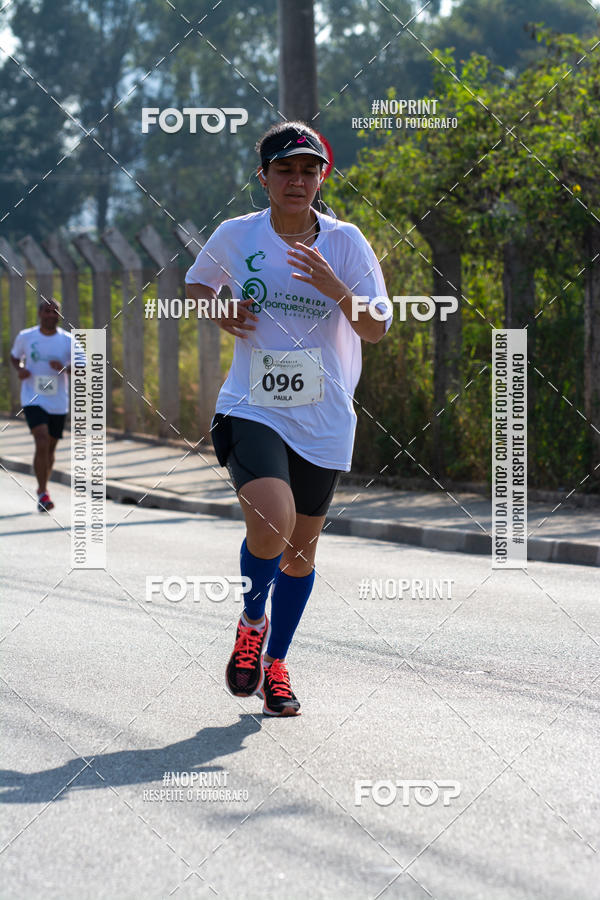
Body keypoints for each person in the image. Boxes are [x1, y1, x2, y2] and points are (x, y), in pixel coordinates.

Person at [185, 121, 391, 716]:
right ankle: (252, 621)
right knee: (271, 521)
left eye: (308, 170)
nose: (297, 180)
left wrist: (337, 289)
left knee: (301, 552)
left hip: (323, 417)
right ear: (265, 178)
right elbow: (197, 285)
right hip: (252, 405)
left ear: (322, 177)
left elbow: (374, 328)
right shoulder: (237, 234)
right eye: (285, 170)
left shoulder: (347, 243)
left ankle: (275, 662)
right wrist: (221, 309)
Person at [10, 299, 77, 512]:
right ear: (40, 314)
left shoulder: (67, 341)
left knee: (50, 448)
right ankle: (42, 491)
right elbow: (14, 357)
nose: (51, 315)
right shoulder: (26, 337)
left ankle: (43, 487)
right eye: (47, 312)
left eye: (55, 312)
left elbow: (82, 368)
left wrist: (65, 368)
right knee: (40, 439)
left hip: (58, 401)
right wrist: (21, 369)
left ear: (59, 315)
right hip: (32, 397)